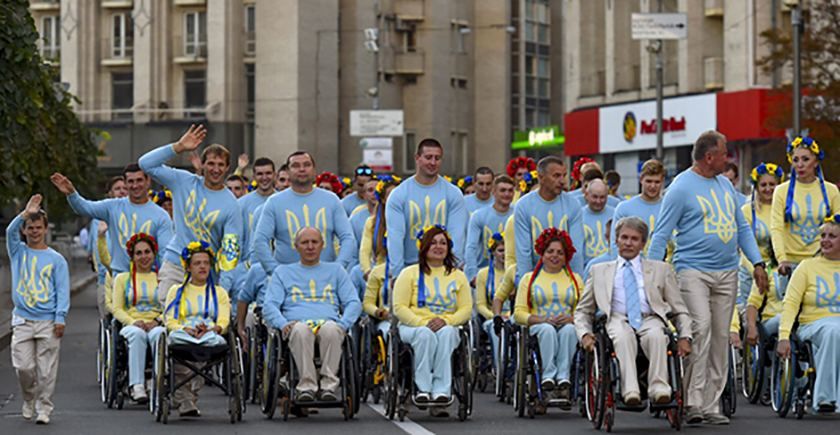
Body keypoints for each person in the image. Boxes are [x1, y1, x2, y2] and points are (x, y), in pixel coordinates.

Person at [648, 130, 768, 425]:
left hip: (727, 272)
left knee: (720, 338)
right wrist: (650, 273)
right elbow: (662, 232)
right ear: (709, 156)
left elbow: (742, 228)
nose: (727, 157)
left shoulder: (725, 185)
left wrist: (757, 262)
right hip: (693, 271)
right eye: (724, 152)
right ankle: (692, 401)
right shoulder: (680, 187)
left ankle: (712, 404)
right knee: (699, 330)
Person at [576, 217, 692, 406]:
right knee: (622, 337)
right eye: (624, 238)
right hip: (617, 318)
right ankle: (630, 390)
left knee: (657, 336)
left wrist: (685, 335)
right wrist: (585, 334)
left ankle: (659, 388)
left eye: (634, 239)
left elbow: (680, 309)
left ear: (643, 243)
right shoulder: (599, 271)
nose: (628, 243)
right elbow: (583, 310)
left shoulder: (661, 270)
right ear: (616, 240)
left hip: (650, 317)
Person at [139, 124, 243, 305]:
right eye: (210, 163)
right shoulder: (183, 181)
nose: (215, 169)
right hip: (175, 264)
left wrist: (223, 290)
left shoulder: (231, 204)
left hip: (205, 271)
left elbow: (230, 253)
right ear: (202, 165)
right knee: (170, 319)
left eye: (220, 165)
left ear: (227, 168)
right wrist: (178, 147)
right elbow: (145, 164)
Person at [51, 165, 173, 316]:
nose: (135, 186)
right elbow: (85, 207)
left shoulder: (161, 216)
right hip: (120, 279)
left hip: (149, 281)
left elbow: (165, 254)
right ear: (126, 183)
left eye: (139, 180)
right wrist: (71, 193)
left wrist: (163, 282)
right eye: (131, 181)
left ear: (148, 182)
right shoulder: (113, 207)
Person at [262, 227, 362, 402]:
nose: (310, 247)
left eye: (314, 242)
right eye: (305, 242)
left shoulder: (337, 271)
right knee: (300, 330)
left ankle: (328, 386)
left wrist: (344, 324)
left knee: (332, 329)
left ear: (323, 245)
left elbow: (353, 302)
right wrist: (282, 323)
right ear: (296, 246)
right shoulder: (282, 273)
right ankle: (306, 385)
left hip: (328, 322)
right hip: (296, 323)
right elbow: (270, 305)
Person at [7, 195, 69, 425]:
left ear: (45, 229)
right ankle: (29, 397)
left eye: (38, 227)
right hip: (22, 319)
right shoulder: (18, 252)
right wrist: (24, 213)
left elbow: (62, 290)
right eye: (30, 228)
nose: (34, 231)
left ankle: (45, 408)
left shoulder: (56, 259)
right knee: (24, 367)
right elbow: (10, 233)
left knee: (46, 371)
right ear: (24, 231)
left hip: (48, 321)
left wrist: (60, 317)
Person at [393, 225, 472, 403]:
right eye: (433, 243)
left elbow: (466, 309)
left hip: (446, 324)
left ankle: (441, 389)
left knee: (446, 334)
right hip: (414, 326)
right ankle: (423, 388)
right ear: (424, 247)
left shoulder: (458, 276)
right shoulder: (409, 274)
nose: (438, 247)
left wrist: (446, 320)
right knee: (425, 335)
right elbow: (400, 307)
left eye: (443, 243)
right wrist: (422, 323)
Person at [776, 215, 840, 413]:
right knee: (833, 332)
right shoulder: (806, 267)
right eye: (823, 235)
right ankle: (825, 398)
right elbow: (791, 304)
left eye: (832, 236)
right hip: (813, 324)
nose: (825, 240)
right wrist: (784, 336)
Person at [253, 151, 355, 272]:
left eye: (306, 165)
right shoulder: (274, 202)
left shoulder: (332, 200)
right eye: (296, 166)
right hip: (287, 280)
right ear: (288, 172)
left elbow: (348, 237)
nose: (302, 169)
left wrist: (339, 267)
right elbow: (260, 240)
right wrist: (274, 270)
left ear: (314, 170)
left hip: (326, 278)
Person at [162, 241, 231, 417]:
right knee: (175, 340)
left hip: (209, 334)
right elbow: (170, 320)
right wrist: (186, 329)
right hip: (184, 333)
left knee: (214, 343)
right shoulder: (176, 291)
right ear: (188, 267)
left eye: (206, 263)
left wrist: (213, 329)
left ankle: (188, 396)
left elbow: (224, 319)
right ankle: (184, 397)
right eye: (197, 263)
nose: (202, 267)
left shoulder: (219, 292)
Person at [513, 227, 581, 402]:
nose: (555, 256)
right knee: (547, 330)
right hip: (539, 326)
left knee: (569, 331)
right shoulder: (528, 279)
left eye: (560, 252)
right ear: (542, 253)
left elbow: (583, 310)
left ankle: (564, 376)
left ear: (567, 256)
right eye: (550, 251)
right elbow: (519, 313)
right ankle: (548, 376)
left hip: (567, 324)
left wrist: (572, 319)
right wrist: (542, 319)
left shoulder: (576, 280)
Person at [386, 139, 467, 275]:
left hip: (442, 269)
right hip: (409, 267)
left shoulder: (453, 193)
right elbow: (395, 237)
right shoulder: (399, 194)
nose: (433, 163)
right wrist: (397, 273)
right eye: (428, 157)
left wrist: (453, 270)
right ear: (417, 158)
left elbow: (457, 236)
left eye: (437, 158)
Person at [770, 137, 840, 280]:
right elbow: (776, 228)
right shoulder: (781, 191)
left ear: (816, 162)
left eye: (805, 159)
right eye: (795, 160)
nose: (800, 165)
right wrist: (781, 259)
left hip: (821, 261)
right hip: (790, 264)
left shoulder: (831, 190)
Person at [111, 233, 165, 403]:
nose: (143, 257)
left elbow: (171, 307)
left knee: (160, 334)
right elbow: (117, 308)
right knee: (137, 335)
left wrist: (157, 321)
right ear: (132, 256)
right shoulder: (122, 279)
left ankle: (157, 382)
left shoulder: (162, 279)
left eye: (147, 252)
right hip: (132, 323)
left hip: (155, 322)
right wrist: (133, 322)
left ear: (154, 253)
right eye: (139, 253)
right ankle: (137, 385)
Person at [514, 155, 584, 281]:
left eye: (564, 175)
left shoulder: (573, 204)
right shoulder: (523, 206)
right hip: (535, 277)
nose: (562, 181)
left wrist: (576, 283)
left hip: (565, 277)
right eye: (556, 176)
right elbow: (524, 253)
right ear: (541, 178)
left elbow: (576, 250)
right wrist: (527, 286)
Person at [737, 163, 784, 307]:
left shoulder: (785, 210)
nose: (768, 189)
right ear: (756, 187)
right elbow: (743, 248)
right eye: (763, 185)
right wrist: (757, 270)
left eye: (772, 184)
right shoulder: (747, 211)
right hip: (753, 272)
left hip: (780, 271)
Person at [465, 175, 515, 283]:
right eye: (502, 190)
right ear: (494, 192)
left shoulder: (518, 214)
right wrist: (472, 275)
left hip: (511, 273)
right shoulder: (479, 215)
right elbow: (471, 247)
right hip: (483, 273)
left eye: (510, 191)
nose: (507, 194)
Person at [610, 159, 665, 253]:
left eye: (657, 182)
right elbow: (615, 244)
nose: (652, 186)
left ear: (662, 181)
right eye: (648, 181)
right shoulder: (624, 208)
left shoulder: (670, 207)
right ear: (641, 180)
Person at [476, 233, 506, 372]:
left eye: (507, 250)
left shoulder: (515, 273)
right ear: (493, 252)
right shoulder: (483, 274)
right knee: (496, 329)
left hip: (513, 315)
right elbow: (480, 304)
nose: (504, 254)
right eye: (500, 250)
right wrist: (495, 316)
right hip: (492, 317)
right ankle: (499, 367)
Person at [360, 175, 401, 276]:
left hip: (403, 271)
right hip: (380, 272)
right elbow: (365, 251)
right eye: (390, 195)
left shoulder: (408, 220)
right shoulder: (371, 222)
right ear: (383, 199)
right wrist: (367, 271)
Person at [238, 157, 276, 262]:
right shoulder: (241, 204)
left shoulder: (283, 201)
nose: (264, 178)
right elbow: (238, 238)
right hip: (248, 266)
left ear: (274, 175)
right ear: (254, 176)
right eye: (260, 174)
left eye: (268, 173)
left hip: (277, 266)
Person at [581, 179, 614, 268]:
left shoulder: (615, 214)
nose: (598, 201)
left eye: (602, 197)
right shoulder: (578, 216)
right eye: (595, 197)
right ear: (586, 195)